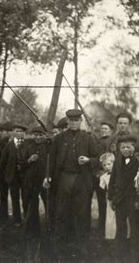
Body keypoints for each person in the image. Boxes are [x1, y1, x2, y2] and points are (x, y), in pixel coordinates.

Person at [43, 109, 99, 260]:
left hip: (82, 180)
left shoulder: (89, 138)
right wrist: (48, 176)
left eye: (77, 120)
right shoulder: (59, 138)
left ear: (81, 122)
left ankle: (81, 250)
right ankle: (61, 250)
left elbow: (97, 158)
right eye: (71, 120)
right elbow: (52, 159)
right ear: (67, 121)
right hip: (63, 179)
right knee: (62, 214)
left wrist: (87, 160)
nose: (74, 123)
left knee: (81, 215)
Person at [107, 134, 139, 262]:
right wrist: (111, 197)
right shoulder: (118, 161)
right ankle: (120, 256)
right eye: (123, 147)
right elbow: (113, 179)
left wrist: (137, 199)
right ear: (119, 149)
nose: (126, 150)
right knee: (120, 227)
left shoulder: (137, 161)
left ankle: (134, 256)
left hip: (132, 200)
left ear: (134, 147)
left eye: (129, 147)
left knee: (134, 228)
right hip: (119, 200)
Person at [22, 126, 50, 238]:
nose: (38, 137)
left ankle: (49, 227)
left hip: (44, 180)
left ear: (44, 136)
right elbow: (22, 164)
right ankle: (34, 229)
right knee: (33, 205)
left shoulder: (48, 148)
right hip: (32, 181)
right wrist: (29, 160)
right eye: (36, 135)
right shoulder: (29, 147)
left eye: (40, 135)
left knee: (48, 204)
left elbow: (51, 163)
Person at [0, 123, 29, 225]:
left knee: (26, 197)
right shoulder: (9, 145)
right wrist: (5, 174)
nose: (19, 133)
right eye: (17, 131)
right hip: (13, 176)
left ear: (24, 133)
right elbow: (3, 161)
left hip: (25, 176)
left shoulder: (27, 144)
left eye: (21, 131)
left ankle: (27, 218)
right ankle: (17, 220)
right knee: (15, 197)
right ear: (13, 132)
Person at [98, 152, 116, 240]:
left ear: (113, 163)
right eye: (104, 165)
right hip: (110, 197)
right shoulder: (103, 177)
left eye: (109, 164)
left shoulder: (118, 174)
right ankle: (110, 235)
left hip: (119, 196)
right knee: (110, 216)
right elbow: (103, 188)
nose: (107, 167)